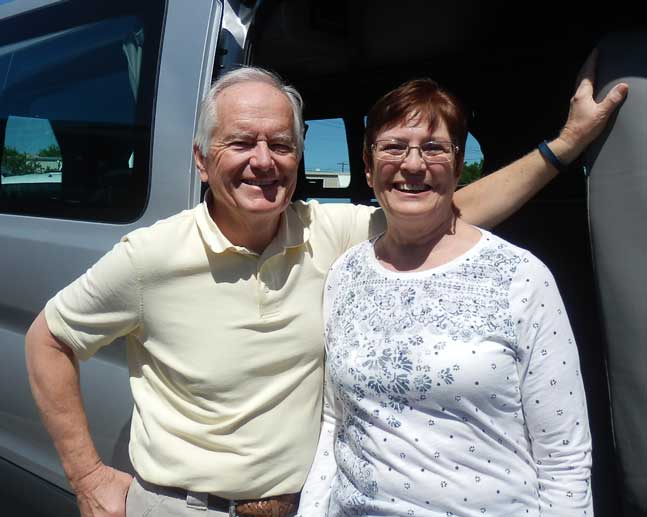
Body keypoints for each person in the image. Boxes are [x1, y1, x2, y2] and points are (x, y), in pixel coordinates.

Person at [24, 56, 626, 517]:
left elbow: (440, 208)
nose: (264, 160)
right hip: (187, 508)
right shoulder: (149, 257)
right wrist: (88, 478)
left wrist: (563, 147)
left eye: (281, 144)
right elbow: (46, 340)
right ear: (202, 161)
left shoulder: (331, 235)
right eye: (241, 142)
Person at [297, 77, 596, 516]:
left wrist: (569, 142)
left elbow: (565, 459)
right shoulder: (344, 274)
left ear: (458, 167)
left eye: (435, 148)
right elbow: (336, 422)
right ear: (367, 165)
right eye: (393, 146)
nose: (413, 164)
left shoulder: (520, 277)